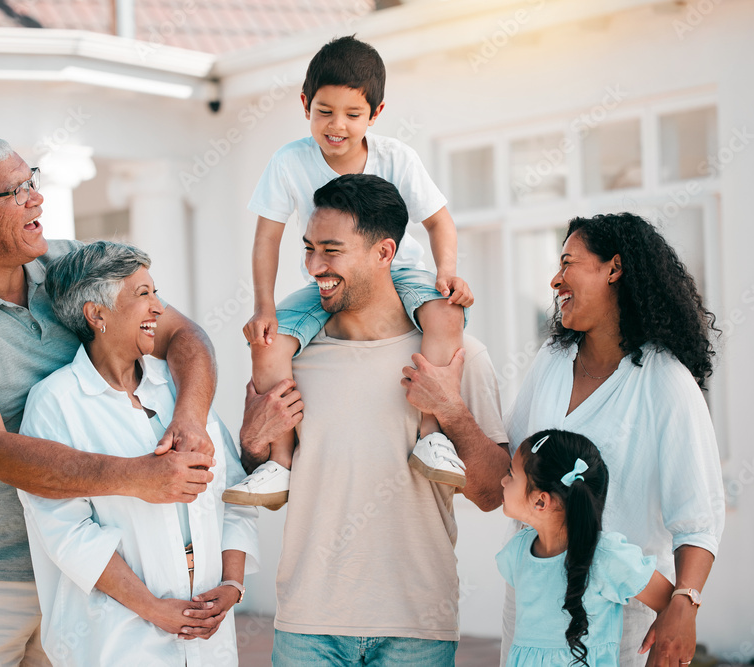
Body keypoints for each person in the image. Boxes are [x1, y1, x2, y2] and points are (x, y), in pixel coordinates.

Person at [0, 136, 218, 665]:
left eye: (33, 180)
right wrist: (140, 476)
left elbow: (182, 336)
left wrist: (190, 419)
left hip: (84, 564)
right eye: (16, 191)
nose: (36, 198)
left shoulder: (68, 265)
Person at [409, 211, 725, 666]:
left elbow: (698, 516)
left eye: (568, 262)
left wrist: (684, 603)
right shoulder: (552, 361)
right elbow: (506, 476)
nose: (555, 281)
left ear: (614, 268)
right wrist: (450, 410)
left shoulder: (664, 381)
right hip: (532, 609)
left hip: (617, 618)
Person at [241, 174, 511, 666]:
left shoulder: (459, 357)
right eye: (308, 249)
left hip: (416, 629)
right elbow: (259, 476)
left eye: (331, 250)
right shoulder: (293, 356)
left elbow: (493, 495)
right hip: (307, 628)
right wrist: (254, 441)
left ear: (385, 253)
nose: (314, 267)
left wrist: (449, 408)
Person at [224, 36, 474, 509]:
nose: (337, 126)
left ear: (375, 114)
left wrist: (447, 273)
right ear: (305, 105)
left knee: (446, 315)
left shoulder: (396, 157)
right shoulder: (289, 161)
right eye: (325, 111)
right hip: (327, 275)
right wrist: (263, 307)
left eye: (352, 115)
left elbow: (439, 220)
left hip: (400, 270)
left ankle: (431, 435)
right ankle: (279, 462)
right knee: (269, 343)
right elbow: (267, 239)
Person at [16, 241, 258, 666]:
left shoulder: (179, 391)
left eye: (155, 292)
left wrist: (232, 584)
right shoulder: (55, 403)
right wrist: (152, 608)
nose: (159, 308)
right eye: (142, 294)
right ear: (96, 314)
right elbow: (67, 533)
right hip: (115, 639)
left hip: (208, 637)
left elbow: (232, 492)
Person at [498, 429, 673, 667]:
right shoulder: (517, 552)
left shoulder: (606, 557)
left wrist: (663, 643)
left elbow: (672, 604)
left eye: (511, 474)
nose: (503, 481)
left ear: (541, 500)